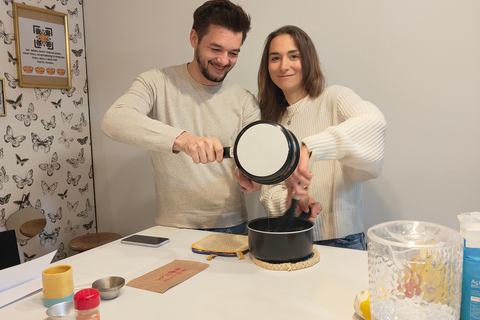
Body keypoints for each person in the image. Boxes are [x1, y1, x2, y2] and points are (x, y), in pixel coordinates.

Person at [101, 0, 260, 235]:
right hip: (173, 227)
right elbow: (114, 120)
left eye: (233, 53)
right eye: (215, 49)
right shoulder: (156, 82)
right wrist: (183, 139)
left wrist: (247, 172)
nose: (224, 60)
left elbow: (252, 157)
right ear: (194, 38)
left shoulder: (245, 100)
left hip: (233, 225)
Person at [235, 25, 386, 249]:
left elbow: (374, 122)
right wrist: (293, 203)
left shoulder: (334, 99)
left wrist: (308, 148)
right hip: (293, 241)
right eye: (275, 58)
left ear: (308, 60)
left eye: (293, 56)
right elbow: (269, 192)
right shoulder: (272, 121)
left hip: (343, 241)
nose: (284, 66)